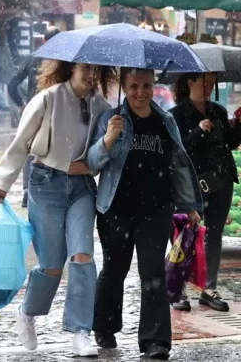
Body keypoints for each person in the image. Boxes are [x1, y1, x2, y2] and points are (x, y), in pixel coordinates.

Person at [0, 60, 114, 357]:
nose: (92, 75)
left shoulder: (102, 106)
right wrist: (3, 185)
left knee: (82, 256)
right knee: (52, 265)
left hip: (81, 188)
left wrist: (109, 138)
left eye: (97, 70)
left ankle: (81, 331)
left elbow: (103, 154)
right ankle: (28, 311)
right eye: (86, 68)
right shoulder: (48, 98)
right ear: (71, 69)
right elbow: (21, 143)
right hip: (46, 184)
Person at [88, 68, 203, 360]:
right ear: (124, 87)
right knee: (115, 271)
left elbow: (178, 164)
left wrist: (190, 205)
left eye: (146, 86)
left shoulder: (165, 121)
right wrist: (109, 138)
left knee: (152, 274)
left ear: (154, 87)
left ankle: (155, 342)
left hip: (155, 210)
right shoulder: (110, 119)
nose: (140, 92)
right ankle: (104, 325)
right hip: (116, 210)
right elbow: (92, 163)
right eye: (134, 86)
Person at [169, 72, 241, 313]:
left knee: (214, 234)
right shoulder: (176, 114)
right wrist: (198, 130)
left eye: (212, 84)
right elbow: (178, 148)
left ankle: (209, 288)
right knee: (185, 235)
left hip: (221, 181)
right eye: (203, 83)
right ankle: (177, 288)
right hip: (191, 183)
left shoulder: (217, 110)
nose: (207, 88)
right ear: (189, 83)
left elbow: (230, 143)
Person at [6, 27, 61, 207]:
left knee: (30, 150)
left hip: (34, 112)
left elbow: (12, 84)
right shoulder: (63, 60)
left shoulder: (34, 58)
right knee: (52, 150)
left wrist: (23, 105)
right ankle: (48, 188)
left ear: (44, 40)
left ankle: (27, 190)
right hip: (56, 112)